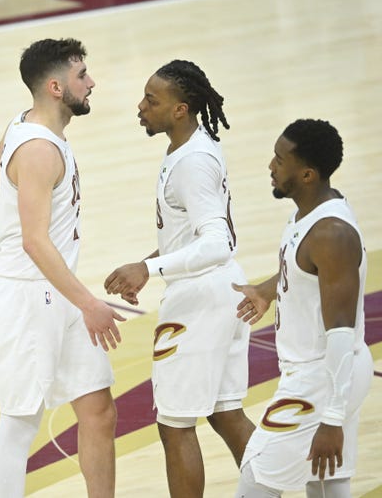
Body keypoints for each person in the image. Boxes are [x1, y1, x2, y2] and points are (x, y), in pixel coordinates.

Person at [0, 38, 122, 498]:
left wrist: (18, 214)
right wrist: (90, 304)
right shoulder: (39, 149)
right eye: (82, 75)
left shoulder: (24, 123)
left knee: (98, 409)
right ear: (56, 87)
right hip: (30, 297)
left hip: (57, 290)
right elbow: (34, 242)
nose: (91, 82)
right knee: (21, 421)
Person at [103, 60, 255, 497]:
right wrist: (151, 264)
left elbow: (219, 241)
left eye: (152, 100)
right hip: (220, 289)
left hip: (201, 299)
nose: (141, 106)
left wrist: (147, 268)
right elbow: (193, 235)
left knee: (174, 424)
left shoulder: (193, 163)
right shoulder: (196, 147)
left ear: (180, 110)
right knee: (226, 414)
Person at [231, 119, 373, 497]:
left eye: (280, 159)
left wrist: (332, 417)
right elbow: (304, 269)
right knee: (327, 485)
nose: (271, 166)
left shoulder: (331, 234)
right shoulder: (312, 212)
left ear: (307, 174)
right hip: (327, 375)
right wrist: (266, 290)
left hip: (321, 379)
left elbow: (340, 332)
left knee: (255, 480)